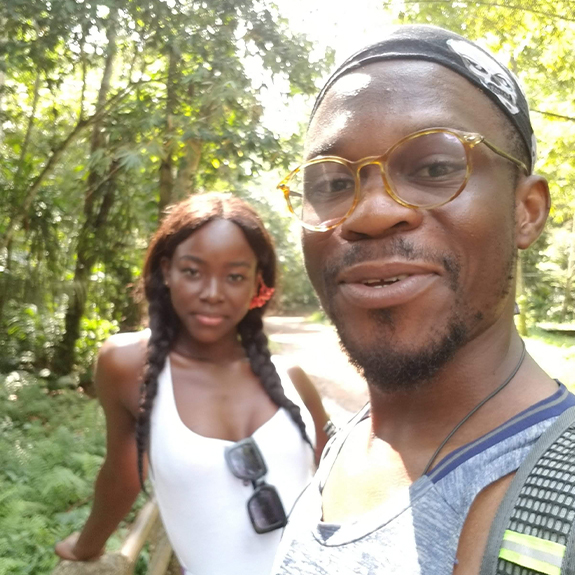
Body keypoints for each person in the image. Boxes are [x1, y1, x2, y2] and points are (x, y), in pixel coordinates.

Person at [272, 25, 575, 575]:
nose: (370, 213)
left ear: (526, 210)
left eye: (435, 168)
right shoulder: (345, 444)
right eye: (332, 184)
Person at [55, 193, 330, 575]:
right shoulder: (128, 365)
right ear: (166, 271)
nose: (212, 293)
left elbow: (340, 484)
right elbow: (123, 472)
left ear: (257, 284)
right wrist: (86, 546)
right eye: (193, 271)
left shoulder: (292, 379)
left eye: (234, 277)